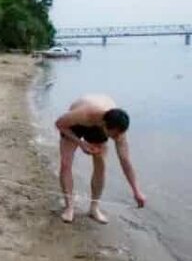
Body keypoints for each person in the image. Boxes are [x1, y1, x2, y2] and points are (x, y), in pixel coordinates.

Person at [55, 94, 146, 223]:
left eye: (118, 135)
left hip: (100, 124)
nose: (116, 138)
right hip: (74, 124)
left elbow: (125, 161)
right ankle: (69, 207)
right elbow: (59, 124)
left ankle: (94, 208)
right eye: (113, 135)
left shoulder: (119, 131)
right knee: (66, 163)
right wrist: (81, 143)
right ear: (104, 125)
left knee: (101, 164)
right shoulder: (84, 113)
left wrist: (136, 191)